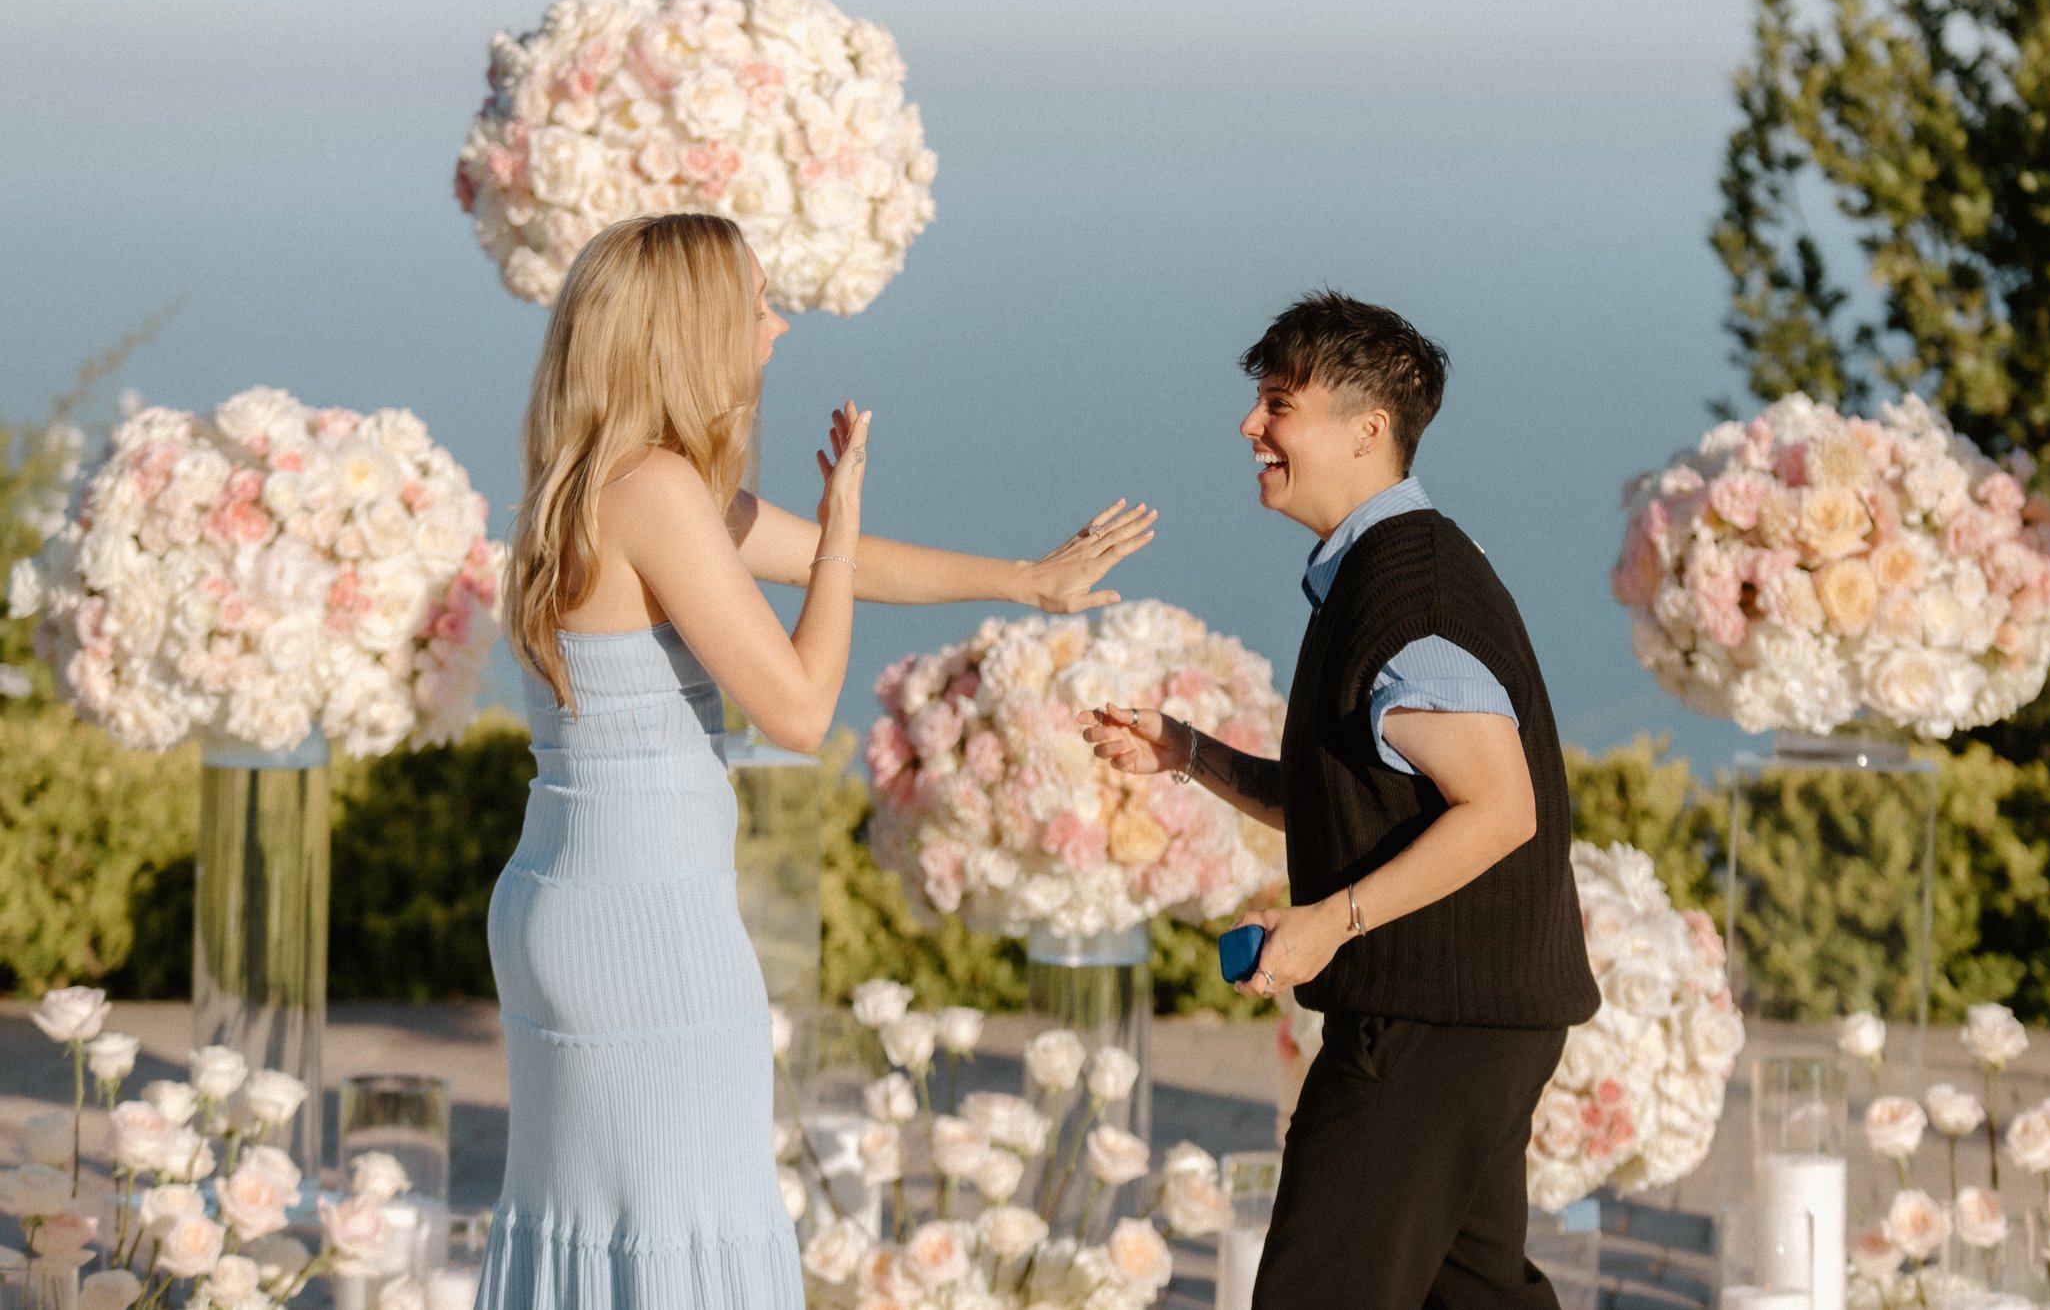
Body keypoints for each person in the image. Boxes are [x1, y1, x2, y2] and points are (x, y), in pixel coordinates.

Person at [484, 213, 1154, 1308]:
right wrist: (841, 522)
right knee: (687, 1227)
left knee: (598, 1229)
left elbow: (837, 566)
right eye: (756, 304)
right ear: (691, 330)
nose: (778, 324)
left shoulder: (599, 484)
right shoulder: (658, 493)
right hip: (646, 924)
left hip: (568, 901)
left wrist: (1024, 578)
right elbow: (799, 708)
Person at [1082, 291, 1598, 1310]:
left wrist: (1332, 919)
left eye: (1278, 403)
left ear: (1368, 431)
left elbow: (1501, 808)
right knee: (1474, 1295)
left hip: (1423, 1027)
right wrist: (1189, 753)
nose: (1250, 424)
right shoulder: (1383, 573)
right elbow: (1355, 797)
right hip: (1463, 1021)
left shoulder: (1411, 597)